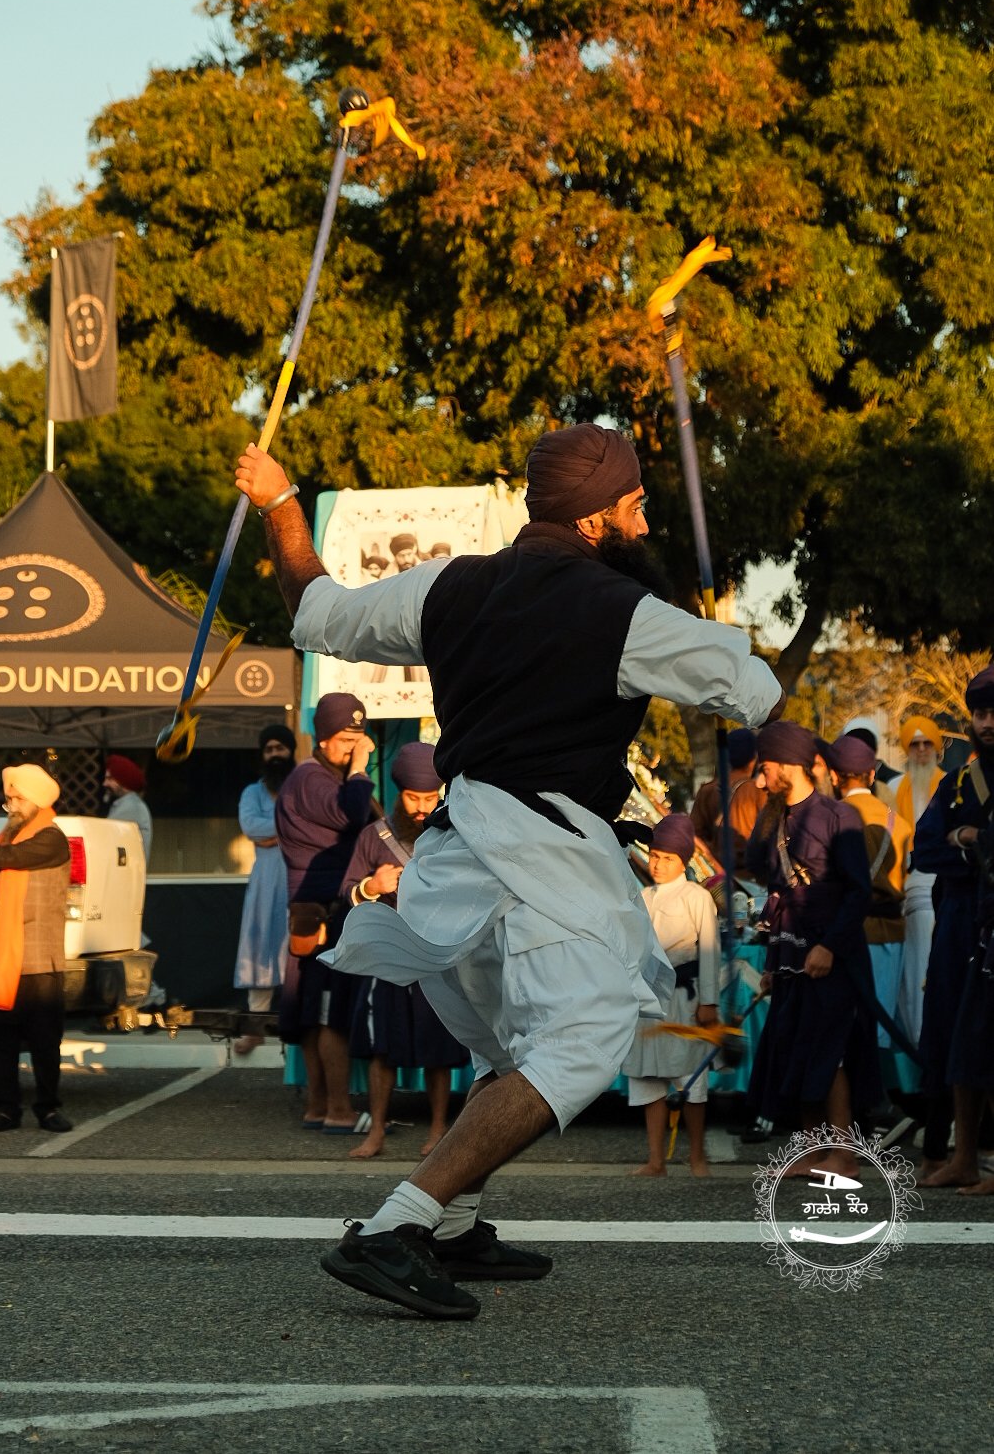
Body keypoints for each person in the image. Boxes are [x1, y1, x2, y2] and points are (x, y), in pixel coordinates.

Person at [235, 420, 783, 1321]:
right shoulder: (624, 613)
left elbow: (314, 607)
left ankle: (455, 1226)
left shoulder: (451, 586)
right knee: (582, 1042)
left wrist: (282, 502)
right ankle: (399, 1226)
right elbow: (755, 695)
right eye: (637, 507)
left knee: (505, 1048)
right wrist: (713, 639)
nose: (646, 526)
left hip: (457, 852)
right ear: (597, 516)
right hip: (544, 852)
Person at [746, 721, 881, 1178]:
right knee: (793, 1045)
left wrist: (828, 946)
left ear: (787, 764)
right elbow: (775, 891)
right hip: (788, 950)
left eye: (765, 767)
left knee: (832, 1048)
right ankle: (810, 1147)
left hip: (831, 950)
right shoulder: (774, 817)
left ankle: (844, 1151)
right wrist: (770, 960)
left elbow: (858, 890)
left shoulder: (838, 816)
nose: (759, 777)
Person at [343, 742, 470, 1160]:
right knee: (382, 1048)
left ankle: (438, 1131)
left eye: (430, 798)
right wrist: (372, 887)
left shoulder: (454, 835)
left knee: (438, 1047)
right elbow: (346, 893)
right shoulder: (373, 836)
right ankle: (376, 1130)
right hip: (388, 954)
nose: (421, 807)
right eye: (414, 798)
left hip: (437, 954)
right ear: (399, 793)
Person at [275, 693, 377, 1132]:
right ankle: (338, 1110)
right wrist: (359, 769)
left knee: (315, 1012)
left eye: (358, 738)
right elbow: (354, 813)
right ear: (323, 738)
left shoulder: (318, 776)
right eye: (344, 738)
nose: (352, 747)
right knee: (328, 1014)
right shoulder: (310, 779)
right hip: (323, 912)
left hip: (318, 911)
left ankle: (319, 1107)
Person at [916, 666, 994, 1190]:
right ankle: (958, 1155)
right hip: (959, 920)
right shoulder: (957, 782)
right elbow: (925, 850)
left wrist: (969, 839)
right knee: (951, 1035)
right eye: (980, 713)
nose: (987, 723)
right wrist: (970, 845)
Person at [622, 814, 719, 1178]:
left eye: (668, 858)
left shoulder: (697, 897)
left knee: (689, 1075)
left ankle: (697, 1156)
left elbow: (709, 951)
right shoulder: (641, 897)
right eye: (655, 856)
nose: (658, 864)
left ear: (684, 862)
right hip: (648, 1000)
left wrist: (708, 1002)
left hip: (684, 998)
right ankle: (655, 1160)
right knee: (649, 1078)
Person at [0, 765, 73, 1133]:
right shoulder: (5, 839)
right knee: (2, 1040)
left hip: (41, 960)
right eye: (9, 797)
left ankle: (48, 1108)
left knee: (44, 1042)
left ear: (37, 800)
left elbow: (10, 860)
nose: (10, 804)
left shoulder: (51, 838)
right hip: (4, 960)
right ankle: (6, 1110)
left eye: (17, 797)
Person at [828, 732, 912, 1056]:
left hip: (845, 934)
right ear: (872, 774)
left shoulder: (831, 818)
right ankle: (876, 1097)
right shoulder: (900, 824)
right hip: (890, 933)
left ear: (835, 776)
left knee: (846, 1023)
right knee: (880, 1024)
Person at [232, 724, 295, 1057]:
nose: (274, 755)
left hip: (297, 878)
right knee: (259, 949)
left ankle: (294, 1031)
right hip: (264, 882)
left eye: (279, 749)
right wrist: (287, 830)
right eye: (269, 749)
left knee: (294, 951)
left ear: (290, 751)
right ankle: (256, 1029)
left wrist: (273, 835)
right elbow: (251, 828)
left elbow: (307, 822)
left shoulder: (300, 787)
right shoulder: (251, 794)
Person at [891, 716, 946, 1048]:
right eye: (916, 744)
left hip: (945, 887)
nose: (923, 750)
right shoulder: (895, 789)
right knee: (911, 973)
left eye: (928, 743)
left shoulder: (952, 783)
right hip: (906, 889)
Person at [689, 727, 765, 871]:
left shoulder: (707, 790)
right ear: (753, 759)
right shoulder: (758, 791)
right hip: (751, 878)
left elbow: (695, 834)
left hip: (717, 876)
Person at [104, 754, 152, 864]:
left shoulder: (132, 807)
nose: (105, 783)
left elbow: (103, 836)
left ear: (123, 781)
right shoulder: (127, 804)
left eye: (110, 779)